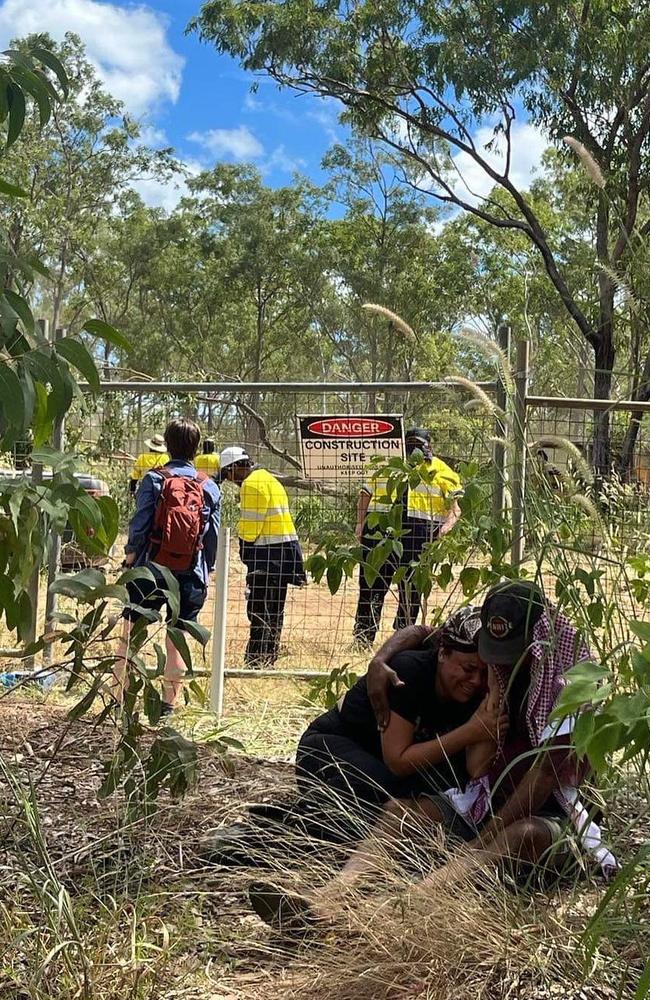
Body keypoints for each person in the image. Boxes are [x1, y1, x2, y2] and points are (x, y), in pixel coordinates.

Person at [249, 582, 617, 929]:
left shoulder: (571, 687)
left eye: (509, 657)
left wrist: (483, 835)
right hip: (482, 800)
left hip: (556, 816)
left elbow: (545, 777)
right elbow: (477, 767)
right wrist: (383, 659)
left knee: (517, 835)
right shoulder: (493, 674)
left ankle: (390, 915)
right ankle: (328, 899)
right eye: (494, 656)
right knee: (400, 812)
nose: (497, 666)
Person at [294, 606, 506, 841]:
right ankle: (287, 828)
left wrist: (494, 691)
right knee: (385, 790)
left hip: (383, 765)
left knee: (441, 791)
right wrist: (471, 732)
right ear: (442, 653)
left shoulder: (477, 690)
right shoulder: (409, 672)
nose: (475, 681)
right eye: (468, 669)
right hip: (330, 747)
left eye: (485, 672)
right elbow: (398, 761)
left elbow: (475, 770)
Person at [113, 419, 221, 714]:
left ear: (167, 445)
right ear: (196, 448)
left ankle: (118, 700)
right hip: (190, 573)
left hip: (150, 568)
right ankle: (167, 708)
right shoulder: (208, 486)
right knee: (178, 639)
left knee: (129, 634)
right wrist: (205, 568)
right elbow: (212, 536)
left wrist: (131, 557)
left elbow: (140, 524)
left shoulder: (154, 479)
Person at [353, 428, 463, 648]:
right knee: (371, 585)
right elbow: (365, 494)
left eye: (419, 444)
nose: (414, 450)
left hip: (421, 534)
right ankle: (363, 639)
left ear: (429, 446)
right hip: (380, 532)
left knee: (411, 590)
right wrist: (360, 524)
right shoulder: (387, 466)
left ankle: (402, 641)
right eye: (410, 444)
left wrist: (446, 528)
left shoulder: (442, 470)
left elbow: (456, 508)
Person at [219, 446, 306, 667]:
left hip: (266, 553)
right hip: (285, 551)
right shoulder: (267, 478)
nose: (230, 480)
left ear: (235, 467)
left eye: (229, 474)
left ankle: (256, 660)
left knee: (259, 608)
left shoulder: (251, 485)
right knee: (275, 608)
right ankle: (269, 656)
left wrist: (245, 550)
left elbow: (250, 527)